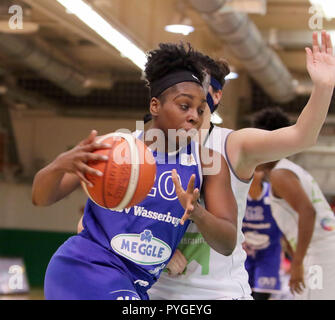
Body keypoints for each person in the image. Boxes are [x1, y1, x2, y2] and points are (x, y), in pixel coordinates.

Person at [32, 42, 238, 300]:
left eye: (199, 109)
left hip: (132, 286)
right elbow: (41, 198)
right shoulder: (114, 148)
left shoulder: (208, 163)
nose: (194, 117)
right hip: (85, 269)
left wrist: (197, 213)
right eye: (184, 106)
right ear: (155, 106)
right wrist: (59, 165)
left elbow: (228, 243)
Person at [148, 30, 335, 300]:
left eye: (200, 84)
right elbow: (97, 223)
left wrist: (323, 88)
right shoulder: (140, 144)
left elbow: (301, 136)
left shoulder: (233, 145)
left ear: (215, 95)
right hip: (153, 290)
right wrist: (158, 250)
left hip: (218, 292)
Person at [252, 107, 335, 300]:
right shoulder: (286, 170)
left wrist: (297, 263)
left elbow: (307, 212)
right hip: (319, 251)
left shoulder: (280, 173)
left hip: (320, 252)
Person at [242, 171, 282, 300]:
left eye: (259, 169)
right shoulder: (239, 192)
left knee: (261, 295)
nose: (254, 172)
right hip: (244, 253)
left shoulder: (274, 192)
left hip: (268, 253)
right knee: (242, 292)